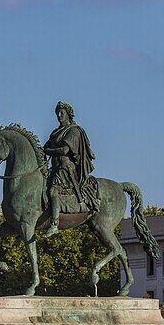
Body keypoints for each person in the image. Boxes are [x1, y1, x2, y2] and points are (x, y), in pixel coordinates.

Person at [42, 101, 99, 237]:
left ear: (68, 114)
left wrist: (49, 151)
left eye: (62, 113)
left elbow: (64, 149)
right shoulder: (55, 132)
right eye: (57, 113)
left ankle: (54, 224)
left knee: (53, 190)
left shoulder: (73, 131)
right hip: (54, 169)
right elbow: (44, 147)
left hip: (66, 170)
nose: (59, 116)